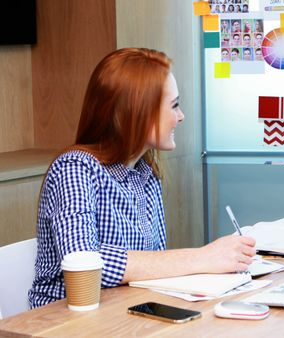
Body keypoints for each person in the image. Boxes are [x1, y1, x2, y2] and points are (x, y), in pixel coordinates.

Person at [28, 48, 256, 308]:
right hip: (66, 323)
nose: (180, 117)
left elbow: (152, 265)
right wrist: (202, 257)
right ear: (136, 112)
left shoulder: (145, 173)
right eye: (174, 106)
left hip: (129, 312)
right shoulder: (74, 169)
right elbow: (84, 260)